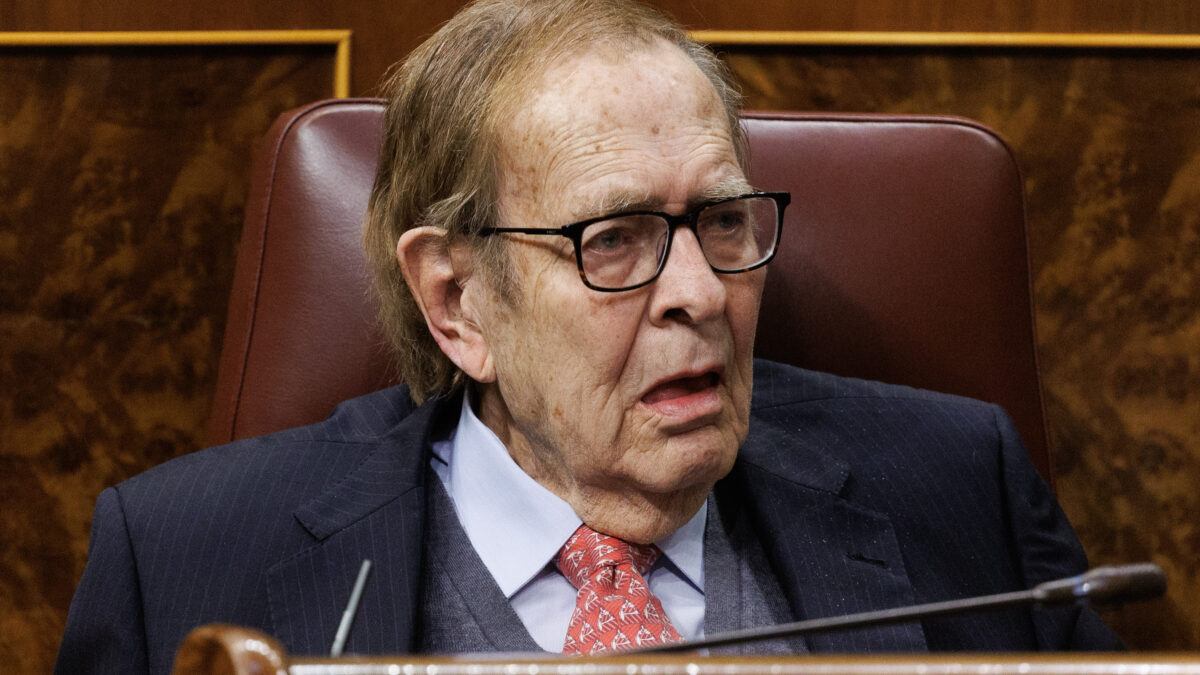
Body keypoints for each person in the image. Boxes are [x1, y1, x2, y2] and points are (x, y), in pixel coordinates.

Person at [55, 0, 1121, 672]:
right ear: (458, 301)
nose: (699, 291)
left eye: (720, 220)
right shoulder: (186, 562)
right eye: (614, 241)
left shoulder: (956, 487)